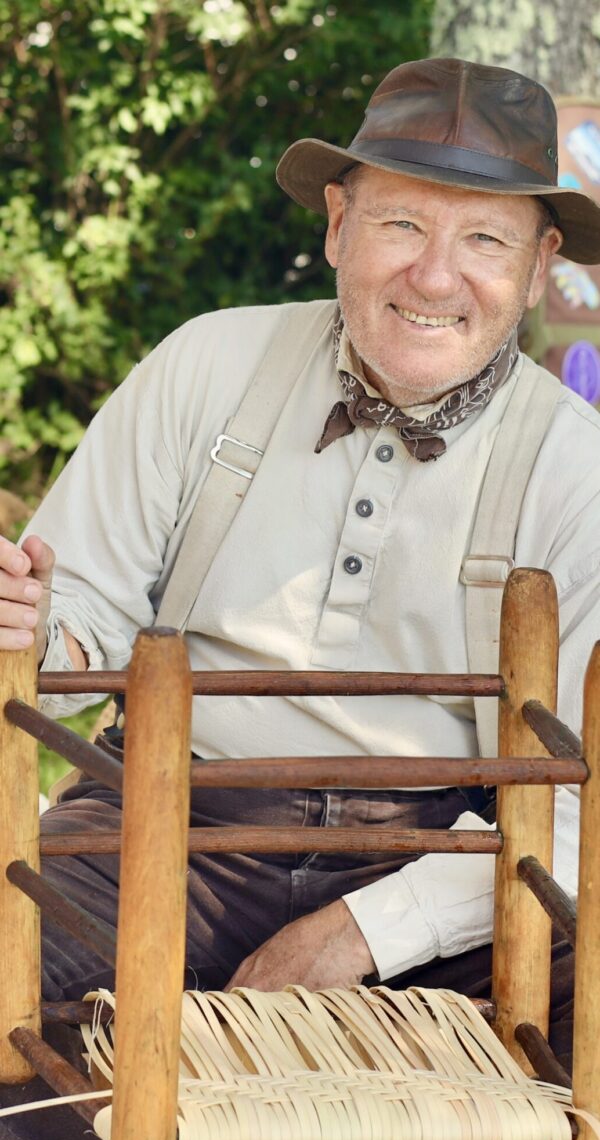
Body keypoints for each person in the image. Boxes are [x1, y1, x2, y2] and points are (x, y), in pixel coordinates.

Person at [2, 57, 600, 1065]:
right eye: (402, 223)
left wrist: (369, 931)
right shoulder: (205, 367)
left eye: (485, 239)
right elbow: (66, 664)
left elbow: (586, 801)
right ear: (337, 224)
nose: (436, 275)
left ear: (540, 266)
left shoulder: (579, 468)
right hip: (169, 821)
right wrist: (30, 625)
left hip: (458, 849)